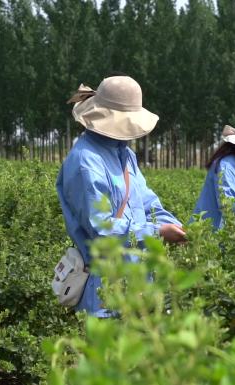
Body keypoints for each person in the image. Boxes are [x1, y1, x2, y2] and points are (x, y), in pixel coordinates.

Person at [56, 75, 186, 318]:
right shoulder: (86, 161)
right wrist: (157, 233)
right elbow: (101, 229)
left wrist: (177, 225)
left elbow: (148, 203)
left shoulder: (125, 155)